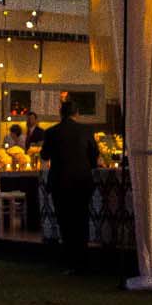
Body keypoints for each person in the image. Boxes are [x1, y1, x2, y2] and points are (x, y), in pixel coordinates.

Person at [39, 99, 98, 273]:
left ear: (60, 114)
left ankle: (70, 261)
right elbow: (94, 155)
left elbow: (44, 155)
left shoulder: (51, 132)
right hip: (82, 181)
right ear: (76, 113)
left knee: (65, 222)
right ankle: (83, 260)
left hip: (60, 181)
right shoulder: (86, 130)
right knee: (81, 220)